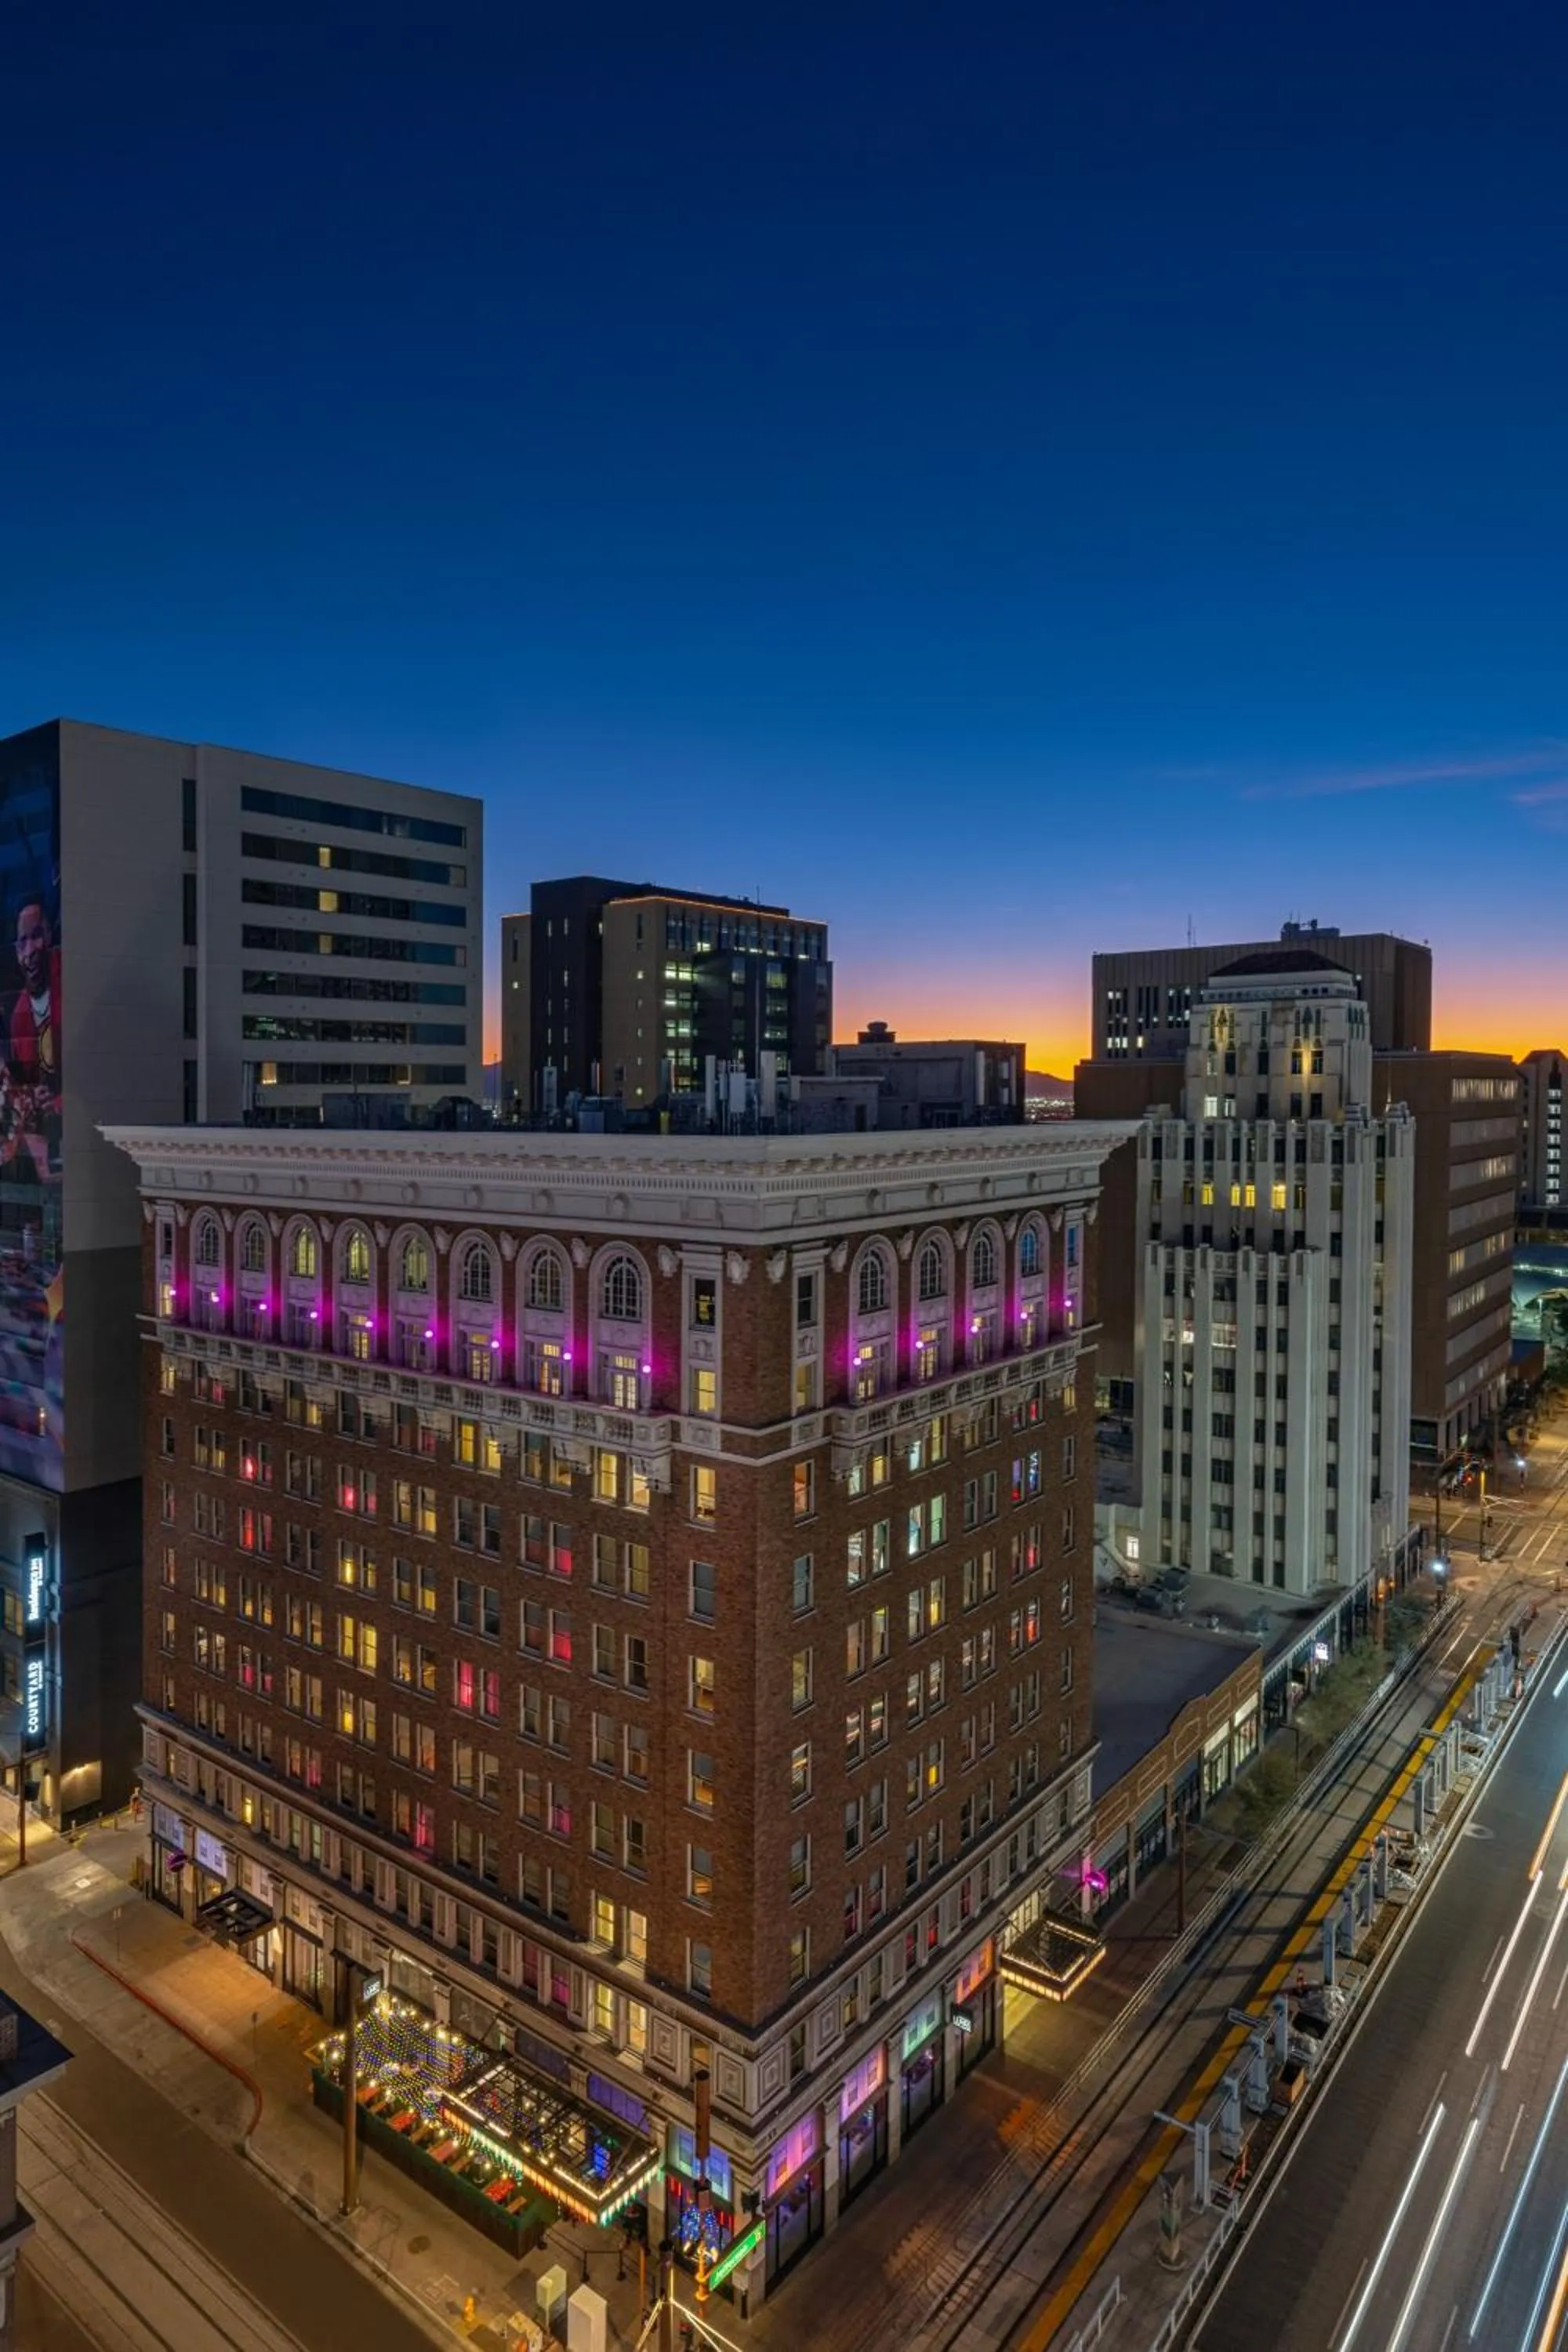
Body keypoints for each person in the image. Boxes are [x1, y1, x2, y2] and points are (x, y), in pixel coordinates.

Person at [3, 898, 60, 1178]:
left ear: (49, 937)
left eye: (37, 936)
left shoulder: (72, 983)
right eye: (23, 941)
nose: (31, 950)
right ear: (16, 952)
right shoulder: (19, 1016)